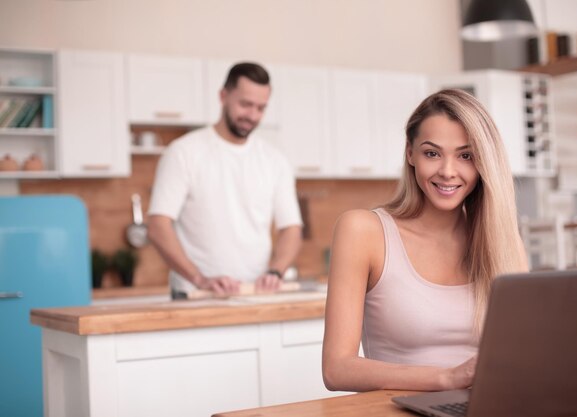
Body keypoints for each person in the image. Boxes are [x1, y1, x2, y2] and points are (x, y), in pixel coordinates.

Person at [322, 89, 528, 392]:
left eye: (466, 156)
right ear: (410, 154)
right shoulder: (363, 231)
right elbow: (337, 369)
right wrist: (446, 378)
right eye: (432, 153)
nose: (447, 171)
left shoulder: (504, 243)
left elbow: (524, 353)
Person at [148, 62, 303, 298]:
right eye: (245, 104)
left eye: (261, 108)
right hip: (196, 296)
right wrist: (199, 279)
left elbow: (291, 228)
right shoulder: (183, 152)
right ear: (223, 96)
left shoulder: (275, 161)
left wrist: (276, 272)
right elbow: (158, 225)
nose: (252, 115)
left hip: (255, 296)